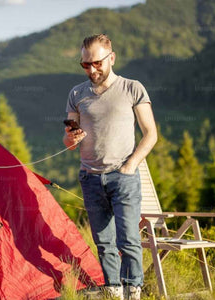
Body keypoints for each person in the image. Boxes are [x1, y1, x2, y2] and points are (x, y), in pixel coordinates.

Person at [62, 34, 157, 300]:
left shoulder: (132, 88)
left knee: (128, 241)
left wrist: (131, 165)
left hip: (123, 177)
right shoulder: (76, 94)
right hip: (90, 178)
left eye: (96, 63)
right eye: (85, 65)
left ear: (111, 58)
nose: (91, 69)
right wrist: (71, 138)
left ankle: (133, 291)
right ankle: (113, 291)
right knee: (103, 243)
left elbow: (151, 133)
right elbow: (69, 141)